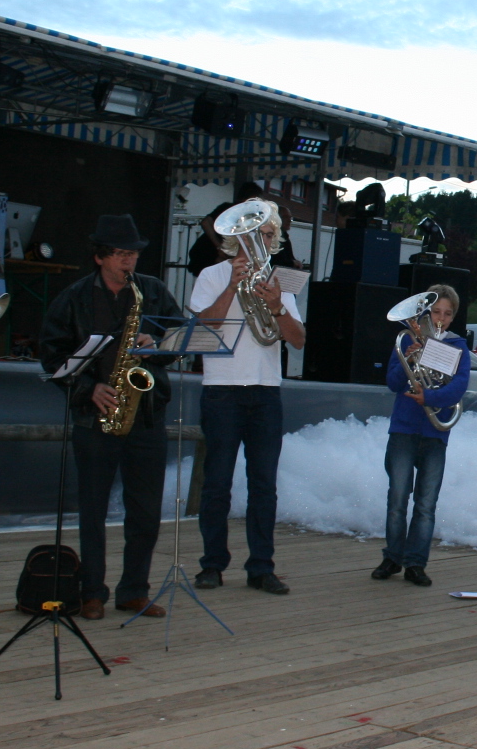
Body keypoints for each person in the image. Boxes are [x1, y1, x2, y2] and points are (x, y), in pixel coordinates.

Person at [38, 214, 183, 620]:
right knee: (93, 509)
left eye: (133, 254)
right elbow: (51, 358)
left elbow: (180, 337)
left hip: (146, 416)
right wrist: (88, 389)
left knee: (145, 510)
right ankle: (92, 591)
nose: (128, 262)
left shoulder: (150, 292)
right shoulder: (73, 298)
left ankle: (134, 590)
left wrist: (157, 342)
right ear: (100, 257)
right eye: (121, 254)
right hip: (93, 417)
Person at [188, 194, 306, 595]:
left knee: (263, 485)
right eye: (256, 234)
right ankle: (211, 565)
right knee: (217, 482)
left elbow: (298, 340)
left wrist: (276, 307)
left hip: (265, 391)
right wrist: (233, 285)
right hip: (221, 390)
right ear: (237, 238)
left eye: (268, 235)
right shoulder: (211, 275)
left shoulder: (279, 281)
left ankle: (261, 566)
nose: (262, 242)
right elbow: (202, 329)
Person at [372, 285, 471, 587]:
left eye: (447, 314)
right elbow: (392, 381)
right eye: (436, 312)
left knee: (426, 503)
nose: (440, 319)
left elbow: (459, 387)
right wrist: (409, 362)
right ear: (426, 315)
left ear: (453, 318)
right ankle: (392, 557)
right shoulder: (407, 341)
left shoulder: (458, 347)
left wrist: (427, 396)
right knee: (397, 498)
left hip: (435, 433)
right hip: (403, 428)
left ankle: (416, 563)